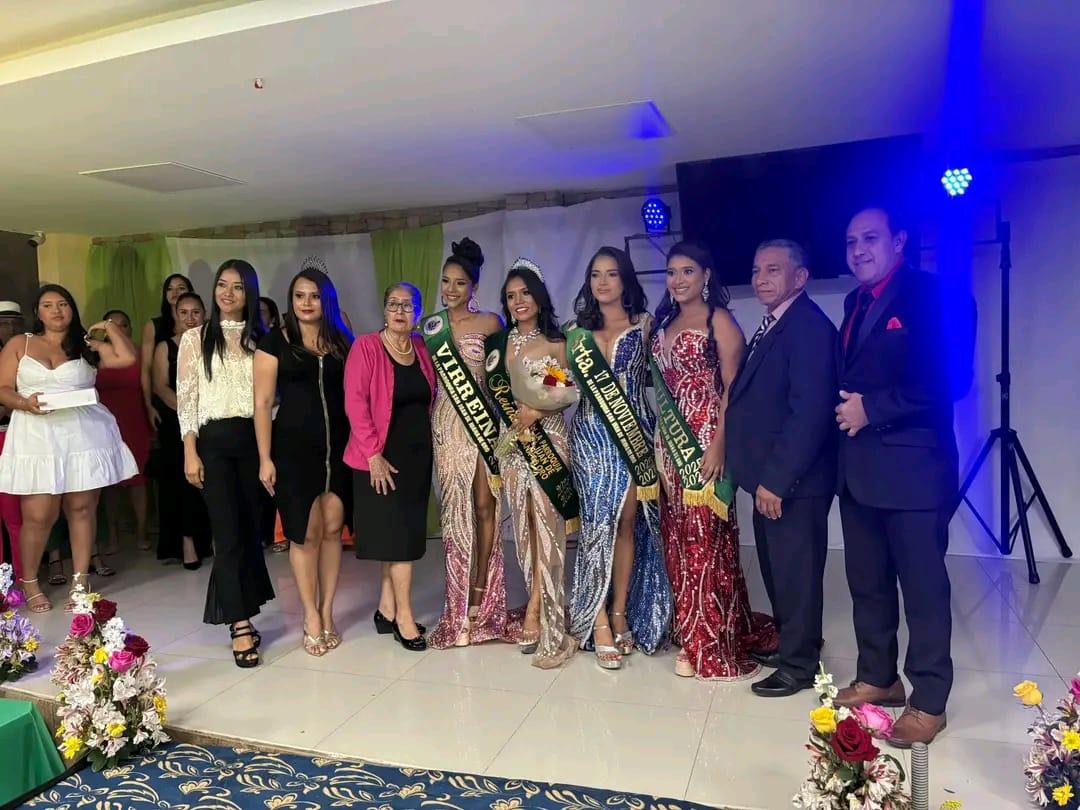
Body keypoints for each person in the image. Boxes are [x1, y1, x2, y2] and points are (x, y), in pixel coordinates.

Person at [833, 206, 975, 747]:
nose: (858, 250)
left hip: (916, 471)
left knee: (923, 590)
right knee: (866, 582)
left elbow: (952, 380)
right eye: (851, 241)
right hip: (859, 470)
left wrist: (872, 408)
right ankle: (878, 676)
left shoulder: (938, 295)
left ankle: (930, 700)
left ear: (899, 240)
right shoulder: (853, 301)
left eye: (870, 238)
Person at [650, 242, 775, 680]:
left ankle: (708, 637)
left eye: (688, 271)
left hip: (704, 440)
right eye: (671, 272)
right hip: (668, 442)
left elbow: (732, 391)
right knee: (677, 540)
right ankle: (690, 625)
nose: (678, 280)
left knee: (704, 541)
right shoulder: (664, 322)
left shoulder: (718, 320)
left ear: (706, 276)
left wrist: (719, 444)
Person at [725, 239, 838, 697]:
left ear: (800, 276)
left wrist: (776, 480)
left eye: (773, 269)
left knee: (797, 575)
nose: (760, 279)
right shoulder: (775, 322)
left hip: (792, 484)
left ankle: (800, 665)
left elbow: (809, 413)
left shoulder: (808, 327)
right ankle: (793, 645)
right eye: (756, 270)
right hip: (769, 480)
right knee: (778, 571)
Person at [0, 285, 139, 612]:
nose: (56, 310)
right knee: (39, 514)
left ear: (72, 309)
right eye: (48, 305)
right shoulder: (21, 343)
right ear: (37, 312)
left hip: (83, 432)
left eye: (63, 304)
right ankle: (29, 581)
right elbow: (3, 388)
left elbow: (127, 358)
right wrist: (24, 403)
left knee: (81, 508)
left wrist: (110, 327)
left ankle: (80, 580)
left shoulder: (87, 345)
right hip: (36, 433)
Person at [566, 247, 671, 669]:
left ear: (625, 279)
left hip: (633, 432)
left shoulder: (644, 325)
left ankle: (620, 610)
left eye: (611, 274)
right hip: (590, 434)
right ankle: (596, 619)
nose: (603, 282)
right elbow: (559, 379)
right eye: (596, 275)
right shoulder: (575, 331)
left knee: (627, 523)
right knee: (597, 525)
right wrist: (544, 390)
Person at [177, 260, 275, 667]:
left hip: (253, 441)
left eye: (237, 286)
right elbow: (187, 398)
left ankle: (244, 609)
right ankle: (239, 624)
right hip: (213, 442)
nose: (228, 293)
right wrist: (190, 450)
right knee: (227, 534)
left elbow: (268, 400)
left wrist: (268, 454)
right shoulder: (195, 338)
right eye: (222, 285)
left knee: (250, 532)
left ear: (249, 292)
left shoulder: (261, 339)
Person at [485, 260, 580, 668]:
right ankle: (535, 601)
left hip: (547, 440)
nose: (518, 301)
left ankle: (550, 623)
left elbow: (568, 391)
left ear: (539, 298)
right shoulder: (498, 344)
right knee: (523, 530)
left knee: (548, 530)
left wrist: (537, 412)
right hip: (512, 443)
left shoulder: (556, 343)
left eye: (525, 293)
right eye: (511, 296)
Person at [255, 268, 353, 656]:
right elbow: (263, 403)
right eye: (299, 296)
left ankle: (327, 611)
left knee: (332, 530)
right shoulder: (274, 341)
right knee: (304, 534)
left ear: (326, 300)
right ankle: (310, 615)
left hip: (338, 448)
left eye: (313, 296)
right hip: (293, 449)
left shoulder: (341, 340)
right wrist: (265, 457)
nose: (306, 303)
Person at [425, 239, 515, 649]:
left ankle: (484, 598)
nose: (450, 289)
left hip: (484, 422)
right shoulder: (431, 328)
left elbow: (504, 376)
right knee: (456, 514)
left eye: (460, 283)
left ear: (474, 287)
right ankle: (458, 604)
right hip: (447, 422)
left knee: (484, 507)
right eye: (446, 281)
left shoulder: (491, 322)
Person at [344, 282, 436, 652]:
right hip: (380, 459)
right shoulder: (366, 347)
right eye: (393, 304)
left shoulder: (421, 347)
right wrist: (372, 455)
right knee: (400, 543)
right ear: (384, 310)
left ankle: (386, 609)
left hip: (416, 459)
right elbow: (355, 403)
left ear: (418, 312)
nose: (400, 311)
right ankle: (404, 619)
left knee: (400, 537)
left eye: (408, 305)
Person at [151, 292, 211, 568]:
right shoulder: (165, 346)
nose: (190, 318)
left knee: (211, 483)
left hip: (211, 421)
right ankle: (187, 543)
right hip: (177, 422)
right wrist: (188, 411)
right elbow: (161, 387)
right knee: (182, 484)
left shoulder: (213, 343)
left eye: (195, 312)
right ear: (175, 315)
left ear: (204, 314)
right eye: (183, 312)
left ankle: (213, 539)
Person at [95, 309, 152, 554]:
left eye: (123, 324)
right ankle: (113, 534)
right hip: (104, 423)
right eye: (111, 325)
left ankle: (142, 531)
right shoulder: (96, 354)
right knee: (111, 482)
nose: (118, 329)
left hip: (135, 420)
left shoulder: (138, 354)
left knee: (138, 479)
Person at [140, 274, 193, 430]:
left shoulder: (198, 324)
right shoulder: (154, 325)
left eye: (181, 288)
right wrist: (148, 404)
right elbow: (146, 368)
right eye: (170, 289)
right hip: (165, 399)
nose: (175, 292)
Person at [256, 296, 287, 554]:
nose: (258, 315)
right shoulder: (254, 343)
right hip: (258, 417)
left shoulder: (282, 341)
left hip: (282, 417)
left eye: (263, 311)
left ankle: (282, 532)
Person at [0, 301, 24, 580]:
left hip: (17, 436)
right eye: (4, 323)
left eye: (15, 323)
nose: (10, 328)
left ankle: (21, 578)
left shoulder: (28, 353)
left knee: (15, 514)